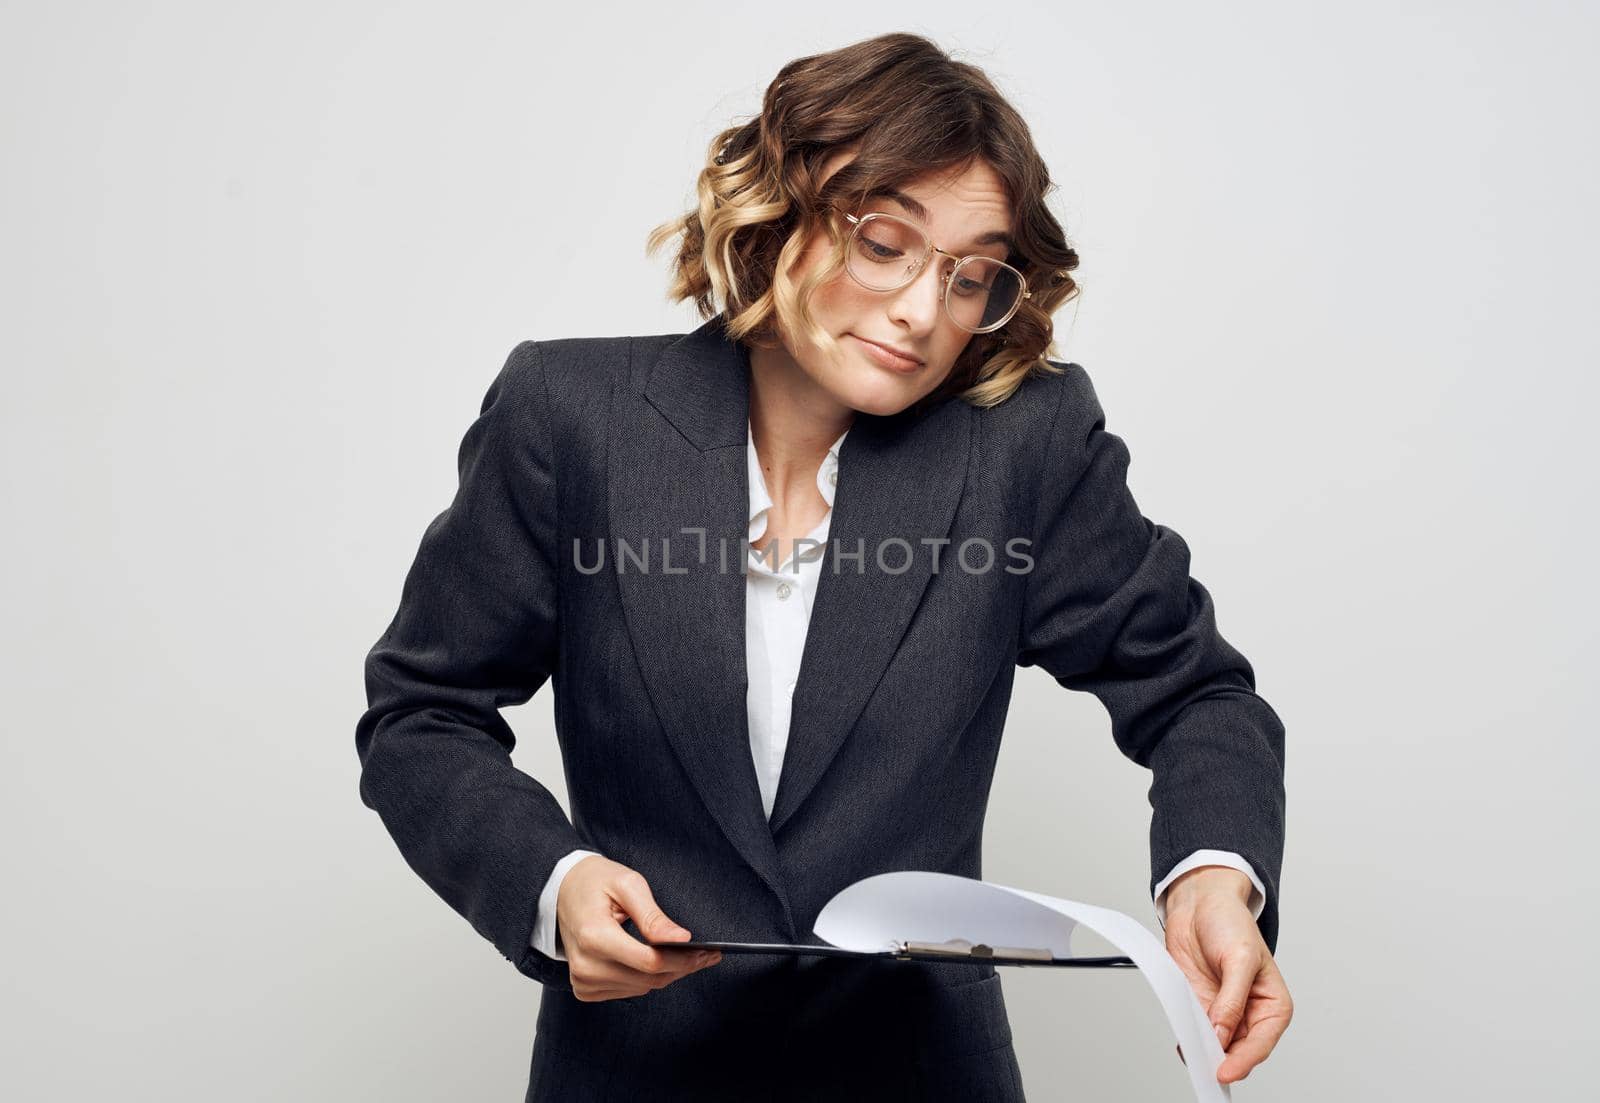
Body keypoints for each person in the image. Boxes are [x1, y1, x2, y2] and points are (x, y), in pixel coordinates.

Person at [354, 31, 1292, 1102]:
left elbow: (1199, 694)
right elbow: (419, 713)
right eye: (886, 244)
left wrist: (1214, 874)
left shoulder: (1023, 444)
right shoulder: (571, 420)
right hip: (631, 1072)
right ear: (778, 208)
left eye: (969, 275)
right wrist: (550, 881)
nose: (921, 311)